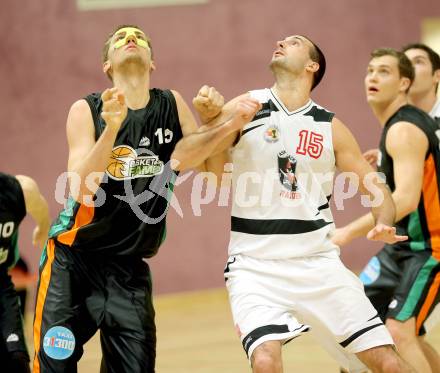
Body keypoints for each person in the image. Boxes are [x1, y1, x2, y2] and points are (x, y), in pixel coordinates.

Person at [32, 24, 259, 373]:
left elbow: (215, 174)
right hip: (72, 262)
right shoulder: (86, 109)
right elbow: (81, 189)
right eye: (121, 38)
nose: (131, 39)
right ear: (106, 65)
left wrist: (216, 119)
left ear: (153, 62)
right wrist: (111, 127)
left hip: (129, 269)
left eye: (138, 36)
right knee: (53, 367)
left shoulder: (170, 104)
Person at [196, 35, 413, 372]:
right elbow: (213, 170)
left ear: (313, 65)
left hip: (318, 263)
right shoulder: (248, 104)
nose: (281, 42)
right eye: (281, 40)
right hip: (255, 266)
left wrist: (384, 220)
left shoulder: (329, 126)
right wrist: (210, 117)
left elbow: (376, 188)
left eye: (294, 42)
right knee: (265, 360)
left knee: (388, 363)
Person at [332, 48, 440, 373]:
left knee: (399, 331)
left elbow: (404, 200)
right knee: (358, 321)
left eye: (384, 72)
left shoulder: (403, 129)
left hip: (429, 249)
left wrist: (347, 233)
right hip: (400, 250)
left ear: (404, 83)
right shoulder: (399, 126)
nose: (373, 78)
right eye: (370, 71)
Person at [0, 172, 50, 373]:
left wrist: (42, 228)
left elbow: (40, 209)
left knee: (17, 359)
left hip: (1, 287)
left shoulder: (18, 190)